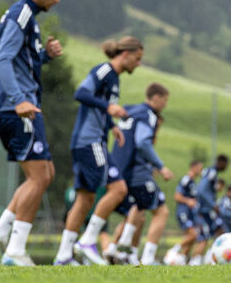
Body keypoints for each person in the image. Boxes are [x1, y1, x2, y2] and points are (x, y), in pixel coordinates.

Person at [0, 0, 69, 266]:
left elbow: (19, 61)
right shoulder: (21, 13)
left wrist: (45, 56)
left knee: (45, 174)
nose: (57, 0)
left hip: (23, 106)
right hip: (18, 108)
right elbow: (2, 59)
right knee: (38, 176)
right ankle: (15, 251)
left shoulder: (27, 16)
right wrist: (18, 99)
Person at [52, 37, 143, 265]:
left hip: (94, 141)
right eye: (138, 59)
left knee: (85, 198)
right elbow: (81, 93)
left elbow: (97, 109)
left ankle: (63, 255)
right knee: (117, 189)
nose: (138, 64)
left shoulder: (115, 79)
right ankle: (87, 241)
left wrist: (112, 126)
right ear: (126, 54)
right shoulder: (104, 70)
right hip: (90, 141)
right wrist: (108, 107)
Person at [101, 83, 175, 265]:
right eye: (164, 100)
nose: (165, 105)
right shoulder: (147, 115)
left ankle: (121, 250)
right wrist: (160, 165)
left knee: (137, 211)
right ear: (156, 98)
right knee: (161, 211)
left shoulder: (130, 111)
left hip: (119, 168)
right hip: (136, 171)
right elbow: (142, 142)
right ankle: (144, 256)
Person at [191, 154, 229, 264]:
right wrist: (213, 204)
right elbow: (201, 190)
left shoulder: (210, 172)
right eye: (226, 164)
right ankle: (195, 262)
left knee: (218, 232)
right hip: (204, 211)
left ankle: (212, 259)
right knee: (205, 237)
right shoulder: (212, 172)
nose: (226, 167)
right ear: (221, 163)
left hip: (207, 210)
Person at [172, 158, 205, 262]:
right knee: (193, 234)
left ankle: (182, 260)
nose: (201, 170)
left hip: (191, 214)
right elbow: (177, 196)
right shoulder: (186, 180)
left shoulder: (193, 182)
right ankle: (174, 251)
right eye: (200, 168)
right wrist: (188, 201)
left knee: (191, 237)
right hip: (183, 212)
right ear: (194, 167)